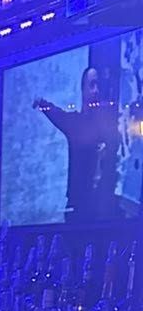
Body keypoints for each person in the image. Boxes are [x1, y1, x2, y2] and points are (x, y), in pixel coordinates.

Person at [35, 64, 121, 219]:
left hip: (104, 208)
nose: (96, 91)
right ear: (83, 89)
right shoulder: (75, 123)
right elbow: (57, 114)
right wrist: (41, 102)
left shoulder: (110, 123)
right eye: (92, 85)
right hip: (78, 208)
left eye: (99, 86)